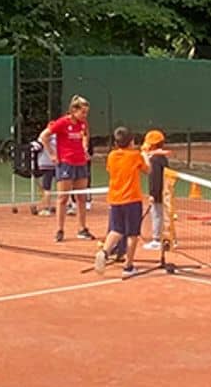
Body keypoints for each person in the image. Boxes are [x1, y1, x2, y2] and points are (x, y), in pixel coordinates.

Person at [95, 127, 147, 274]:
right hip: (132, 200)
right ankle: (128, 266)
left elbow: (110, 170)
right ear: (131, 142)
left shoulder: (111, 156)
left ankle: (104, 252)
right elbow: (147, 170)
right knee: (132, 234)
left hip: (115, 199)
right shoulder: (135, 155)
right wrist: (146, 155)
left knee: (116, 230)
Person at [43, 96, 94, 242]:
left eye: (86, 113)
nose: (85, 116)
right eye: (83, 112)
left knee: (81, 198)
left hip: (81, 163)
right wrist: (52, 154)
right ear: (74, 110)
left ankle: (82, 229)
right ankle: (60, 230)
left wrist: (84, 148)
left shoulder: (83, 123)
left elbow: (85, 135)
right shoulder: (62, 123)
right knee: (63, 198)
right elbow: (45, 136)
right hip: (65, 163)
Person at [141, 129, 171, 254]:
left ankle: (156, 240)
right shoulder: (162, 158)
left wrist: (153, 194)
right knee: (164, 215)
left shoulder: (154, 160)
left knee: (157, 215)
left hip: (158, 192)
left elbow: (155, 178)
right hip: (166, 191)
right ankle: (167, 238)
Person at [29, 133, 56, 216]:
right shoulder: (59, 137)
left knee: (46, 187)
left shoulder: (43, 137)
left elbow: (33, 147)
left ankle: (46, 208)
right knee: (62, 185)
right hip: (57, 164)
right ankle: (69, 206)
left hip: (48, 165)